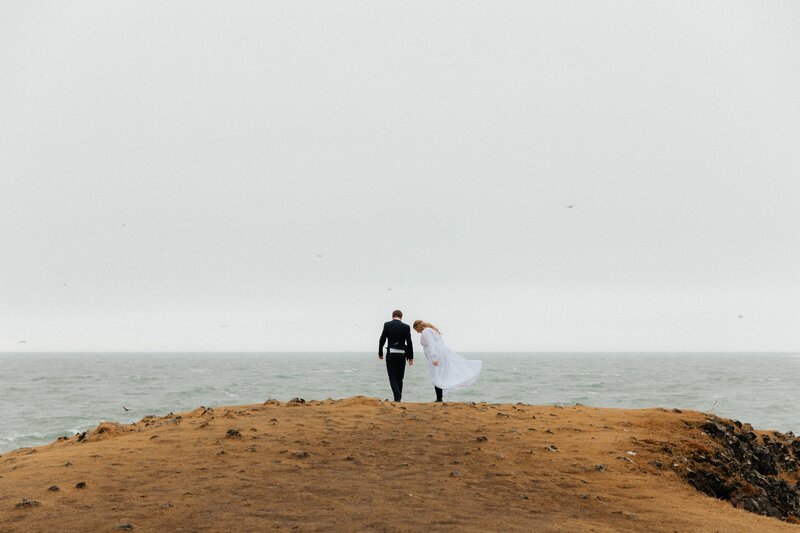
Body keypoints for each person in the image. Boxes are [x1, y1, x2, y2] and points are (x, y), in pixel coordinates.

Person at [413, 320, 481, 402]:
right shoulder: (433, 330)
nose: (417, 332)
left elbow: (431, 344)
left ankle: (439, 398)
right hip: (441, 354)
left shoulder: (426, 331)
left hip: (436, 355)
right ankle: (439, 398)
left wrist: (433, 357)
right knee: (440, 374)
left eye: (416, 329)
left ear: (418, 326)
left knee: (436, 375)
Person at [378, 310, 414, 402]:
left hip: (391, 354)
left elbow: (382, 339)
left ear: (392, 316)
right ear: (401, 317)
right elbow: (409, 342)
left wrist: (380, 352)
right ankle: (398, 399)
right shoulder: (406, 327)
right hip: (402, 355)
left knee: (392, 377)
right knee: (400, 378)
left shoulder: (387, 325)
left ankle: (397, 397)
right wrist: (411, 357)